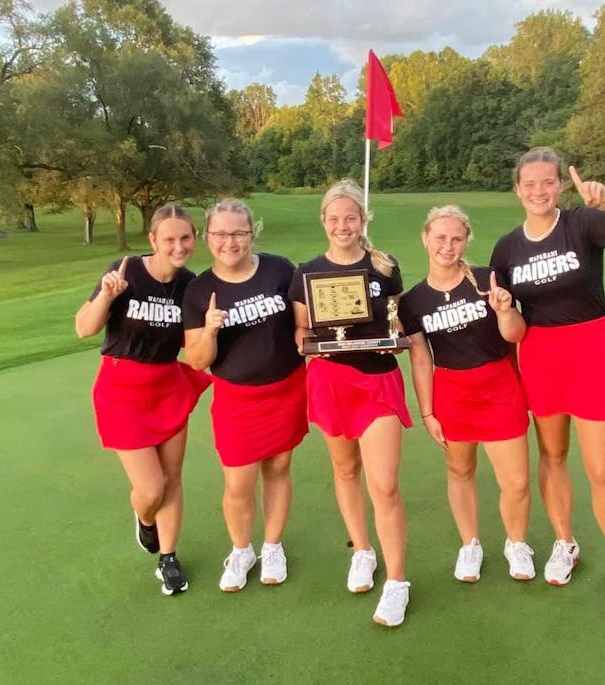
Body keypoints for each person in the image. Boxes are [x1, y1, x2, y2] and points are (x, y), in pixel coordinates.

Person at [490, 147, 605, 608]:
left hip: (591, 352)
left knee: (601, 469)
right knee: (552, 456)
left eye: (548, 181)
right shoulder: (506, 248)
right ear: (517, 190)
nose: (538, 190)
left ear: (562, 185)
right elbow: (513, 328)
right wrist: (505, 314)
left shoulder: (583, 223)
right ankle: (564, 543)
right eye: (529, 183)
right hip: (540, 356)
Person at [290, 178, 413, 627]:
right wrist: (309, 346)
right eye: (334, 218)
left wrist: (394, 341)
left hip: (377, 382)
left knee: (384, 486)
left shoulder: (385, 266)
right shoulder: (304, 272)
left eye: (351, 217)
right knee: (344, 470)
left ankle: (397, 581)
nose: (343, 225)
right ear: (323, 221)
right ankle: (362, 549)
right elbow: (301, 333)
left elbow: (398, 320)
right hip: (329, 380)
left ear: (363, 220)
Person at [75, 204, 210, 596]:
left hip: (167, 385)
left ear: (194, 239)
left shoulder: (192, 285)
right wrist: (105, 296)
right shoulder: (126, 271)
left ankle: (168, 558)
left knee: (171, 479)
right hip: (121, 389)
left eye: (185, 238)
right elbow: (84, 328)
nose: (178, 246)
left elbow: (193, 344)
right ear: (153, 240)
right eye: (169, 239)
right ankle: (144, 517)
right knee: (150, 489)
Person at [399, 205, 534, 583]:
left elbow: (516, 334)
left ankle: (516, 543)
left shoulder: (488, 279)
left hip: (499, 385)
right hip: (452, 392)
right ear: (425, 238)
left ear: (466, 240)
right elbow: (421, 359)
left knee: (517, 482)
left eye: (456, 238)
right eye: (440, 237)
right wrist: (427, 413)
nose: (448, 245)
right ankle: (470, 544)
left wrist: (505, 312)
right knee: (460, 470)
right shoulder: (413, 301)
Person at [182, 199, 308, 593]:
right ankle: (241, 550)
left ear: (252, 233)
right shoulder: (200, 289)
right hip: (238, 399)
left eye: (238, 232)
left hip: (287, 387)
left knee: (278, 470)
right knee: (238, 483)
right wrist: (209, 331)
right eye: (220, 233)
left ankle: (272, 546)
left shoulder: (279, 269)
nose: (229, 241)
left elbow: (302, 324)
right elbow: (198, 361)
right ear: (207, 237)